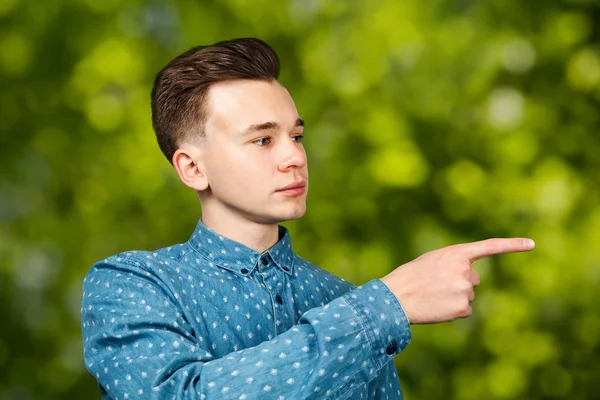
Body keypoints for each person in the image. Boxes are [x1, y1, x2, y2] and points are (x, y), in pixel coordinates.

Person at [81, 38, 535, 400]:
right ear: (192, 168)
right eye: (262, 140)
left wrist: (375, 307)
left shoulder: (339, 297)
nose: (294, 156)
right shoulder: (131, 284)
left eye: (296, 136)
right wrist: (386, 306)